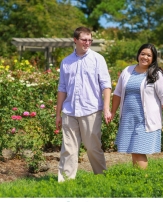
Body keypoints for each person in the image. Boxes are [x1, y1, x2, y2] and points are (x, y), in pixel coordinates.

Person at [55, 26, 112, 182]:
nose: (87, 43)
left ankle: (101, 179)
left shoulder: (98, 59)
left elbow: (106, 85)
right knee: (68, 149)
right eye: (84, 40)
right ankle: (66, 182)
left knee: (93, 148)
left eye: (90, 40)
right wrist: (58, 114)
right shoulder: (66, 62)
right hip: (69, 111)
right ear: (75, 40)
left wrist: (106, 108)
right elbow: (62, 88)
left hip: (91, 110)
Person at [110, 43, 163, 169]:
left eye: (149, 55)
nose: (145, 57)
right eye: (143, 54)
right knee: (134, 150)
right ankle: (137, 178)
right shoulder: (127, 71)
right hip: (129, 119)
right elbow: (117, 93)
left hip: (146, 121)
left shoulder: (157, 75)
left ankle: (142, 180)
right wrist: (113, 112)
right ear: (138, 55)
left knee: (138, 150)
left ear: (153, 58)